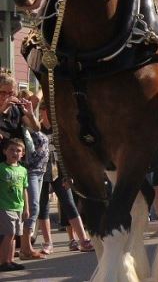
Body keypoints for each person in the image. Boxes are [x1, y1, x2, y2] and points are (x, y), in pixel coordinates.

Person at [35, 101, 94, 254]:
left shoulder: (60, 128)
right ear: (41, 111)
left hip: (59, 172)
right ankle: (48, 243)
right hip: (41, 171)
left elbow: (69, 154)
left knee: (69, 204)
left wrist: (70, 175)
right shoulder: (36, 127)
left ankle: (83, 239)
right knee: (43, 207)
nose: (49, 112)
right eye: (46, 109)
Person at [19, 92, 49, 260]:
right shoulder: (22, 117)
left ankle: (26, 247)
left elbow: (37, 127)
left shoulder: (32, 117)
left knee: (34, 208)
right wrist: (46, 73)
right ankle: (25, 248)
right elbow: (37, 99)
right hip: (30, 168)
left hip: (40, 170)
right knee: (33, 207)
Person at [0, 138, 28, 272]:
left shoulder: (23, 170)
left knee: (15, 234)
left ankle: (10, 260)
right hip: (5, 206)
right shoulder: (1, 168)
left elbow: (24, 189)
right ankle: (2, 262)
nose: (15, 152)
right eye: (11, 149)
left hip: (19, 207)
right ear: (5, 151)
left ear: (22, 154)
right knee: (8, 233)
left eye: (18, 150)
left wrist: (26, 208)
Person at [0, 72, 40, 162]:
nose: (6, 96)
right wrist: (2, 109)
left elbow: (36, 128)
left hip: (14, 164)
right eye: (2, 92)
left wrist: (31, 116)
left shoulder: (17, 108)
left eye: (10, 93)